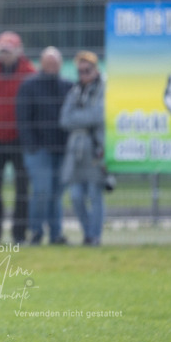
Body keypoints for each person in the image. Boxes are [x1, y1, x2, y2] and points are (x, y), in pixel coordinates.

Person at [0, 31, 36, 245]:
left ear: (17, 52)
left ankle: (19, 234)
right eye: (0, 51)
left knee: (22, 188)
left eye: (7, 51)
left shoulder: (29, 72)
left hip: (20, 140)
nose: (3, 55)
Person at [15, 47, 73, 245]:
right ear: (41, 63)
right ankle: (36, 232)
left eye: (55, 63)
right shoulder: (29, 86)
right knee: (41, 191)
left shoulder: (68, 86)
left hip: (62, 150)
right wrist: (32, 146)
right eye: (48, 63)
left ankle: (56, 234)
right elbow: (23, 120)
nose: (52, 67)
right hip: (38, 150)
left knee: (56, 194)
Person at [60, 51, 106, 246]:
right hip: (75, 152)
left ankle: (95, 236)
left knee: (95, 195)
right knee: (76, 196)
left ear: (95, 70)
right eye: (80, 71)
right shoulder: (74, 91)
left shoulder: (104, 90)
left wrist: (79, 118)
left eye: (87, 70)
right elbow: (65, 119)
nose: (83, 75)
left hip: (96, 150)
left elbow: (100, 115)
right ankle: (87, 233)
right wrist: (85, 118)